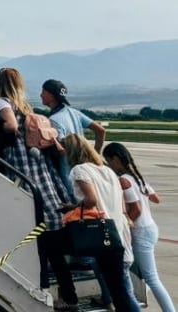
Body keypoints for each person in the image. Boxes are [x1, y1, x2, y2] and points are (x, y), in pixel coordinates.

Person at [0, 68, 77, 308]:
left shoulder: (2, 102)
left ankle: (43, 291)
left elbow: (9, 126)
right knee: (54, 247)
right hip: (43, 176)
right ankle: (69, 296)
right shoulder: (27, 107)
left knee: (35, 244)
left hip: (22, 170)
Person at [63, 134, 140, 312]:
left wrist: (74, 207)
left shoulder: (79, 170)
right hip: (117, 233)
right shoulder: (107, 170)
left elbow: (90, 200)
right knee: (120, 292)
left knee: (122, 295)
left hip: (101, 235)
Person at [103, 142, 174, 312]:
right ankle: (133, 299)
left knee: (151, 277)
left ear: (114, 159)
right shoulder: (136, 177)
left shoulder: (124, 181)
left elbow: (136, 209)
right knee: (141, 271)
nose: (108, 165)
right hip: (151, 228)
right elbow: (156, 198)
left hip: (141, 231)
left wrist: (125, 222)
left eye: (108, 160)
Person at [42, 79, 106, 190]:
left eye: (43, 91)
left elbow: (61, 150)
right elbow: (100, 130)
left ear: (51, 96)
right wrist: (96, 153)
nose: (40, 95)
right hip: (85, 169)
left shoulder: (54, 120)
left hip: (69, 176)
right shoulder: (74, 112)